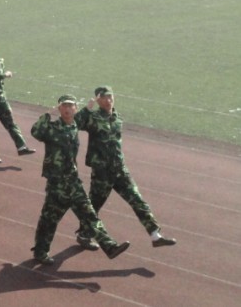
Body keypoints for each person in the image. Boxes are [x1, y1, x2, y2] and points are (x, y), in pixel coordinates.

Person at [30, 95, 130, 266]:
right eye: (64, 106)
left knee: (89, 214)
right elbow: (35, 132)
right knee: (49, 220)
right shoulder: (52, 128)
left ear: (75, 109)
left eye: (71, 106)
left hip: (73, 182)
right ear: (59, 108)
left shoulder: (75, 124)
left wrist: (89, 107)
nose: (67, 109)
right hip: (56, 184)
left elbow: (82, 116)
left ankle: (109, 246)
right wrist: (47, 114)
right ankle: (40, 252)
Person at [74, 86, 177, 250]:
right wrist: (87, 109)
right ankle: (84, 234)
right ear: (98, 100)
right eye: (104, 98)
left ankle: (155, 235)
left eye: (110, 97)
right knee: (94, 206)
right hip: (102, 171)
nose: (108, 101)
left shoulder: (117, 117)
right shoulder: (92, 118)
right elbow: (74, 124)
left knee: (137, 200)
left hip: (120, 169)